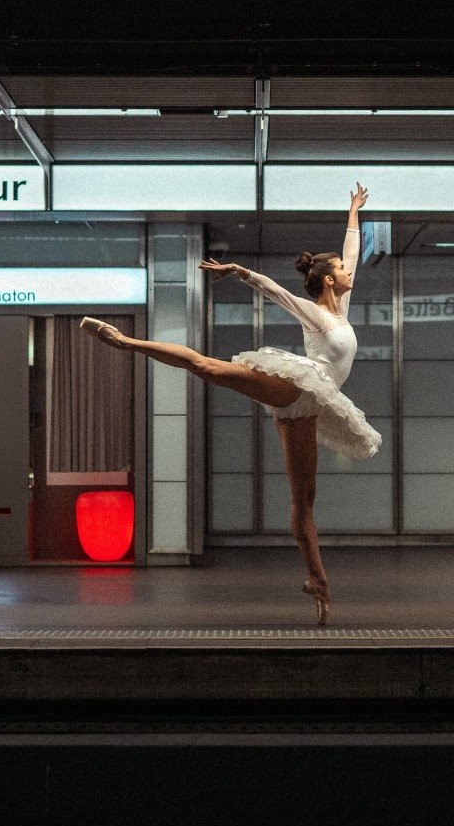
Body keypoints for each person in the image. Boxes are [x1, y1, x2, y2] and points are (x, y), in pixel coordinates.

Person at [80, 183, 381, 625]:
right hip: (299, 384)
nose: (348, 270)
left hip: (307, 405)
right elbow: (275, 291)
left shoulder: (342, 305)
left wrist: (352, 211)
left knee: (304, 501)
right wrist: (239, 270)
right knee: (209, 367)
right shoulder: (315, 312)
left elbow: (350, 251)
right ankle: (122, 340)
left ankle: (317, 579)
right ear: (327, 280)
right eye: (340, 269)